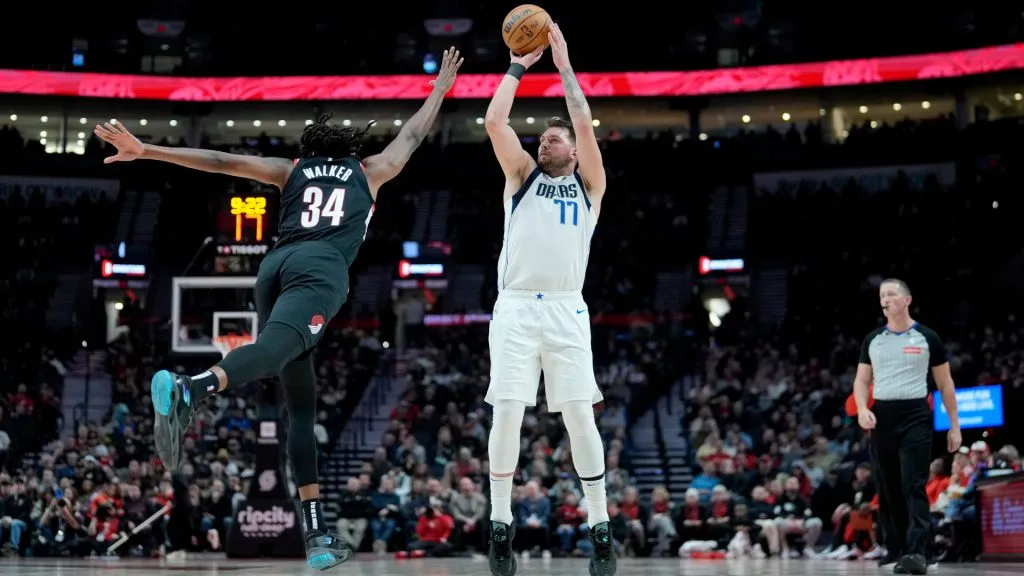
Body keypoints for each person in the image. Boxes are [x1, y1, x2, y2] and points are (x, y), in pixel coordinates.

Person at [93, 48, 463, 571]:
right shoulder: (370, 170)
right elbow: (411, 136)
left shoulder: (289, 171)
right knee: (270, 353)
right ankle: (188, 390)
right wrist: (439, 90)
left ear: (310, 149)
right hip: (320, 270)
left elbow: (220, 162)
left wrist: (145, 149)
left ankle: (315, 538)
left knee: (303, 405)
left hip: (273, 271)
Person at [481, 24, 615, 576]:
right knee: (508, 414)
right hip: (515, 306)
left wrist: (562, 64)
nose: (545, 141)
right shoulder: (521, 175)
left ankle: (601, 527)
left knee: (581, 418)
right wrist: (516, 67)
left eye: (555, 138)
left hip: (566, 308)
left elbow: (582, 121)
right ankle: (499, 524)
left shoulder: (591, 185)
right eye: (543, 138)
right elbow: (494, 121)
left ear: (575, 150)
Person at [853, 278, 961, 575]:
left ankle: (916, 551)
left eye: (891, 294)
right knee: (889, 486)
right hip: (882, 416)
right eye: (881, 295)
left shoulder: (928, 337)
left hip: (916, 414)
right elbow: (862, 381)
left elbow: (944, 383)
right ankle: (898, 548)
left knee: (913, 483)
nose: (884, 300)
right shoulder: (873, 340)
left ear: (907, 300)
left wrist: (954, 425)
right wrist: (863, 409)